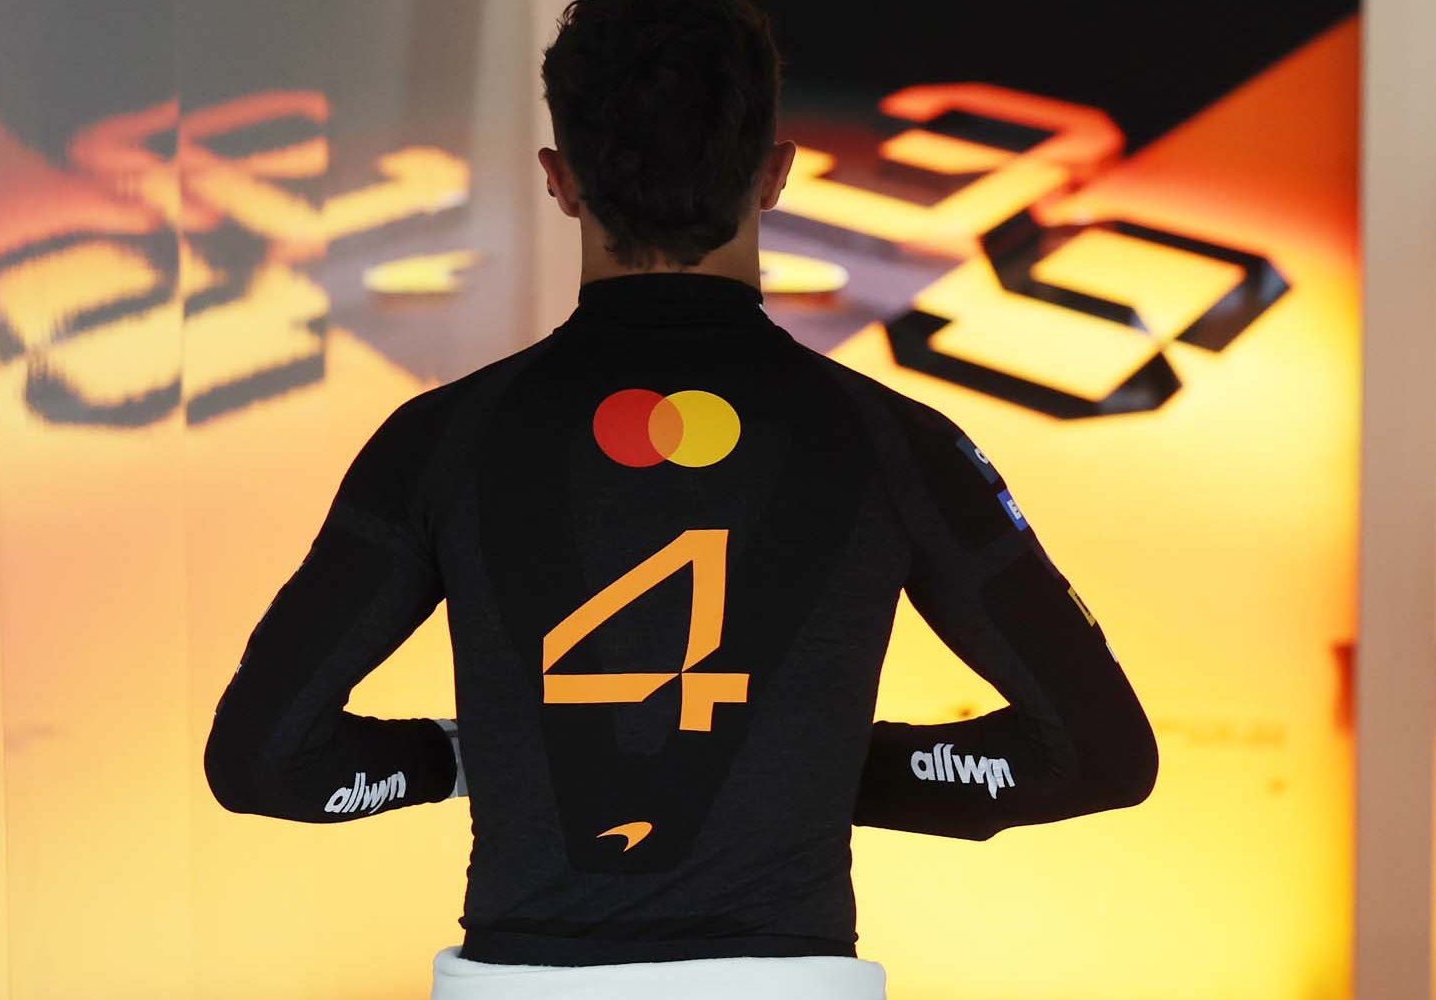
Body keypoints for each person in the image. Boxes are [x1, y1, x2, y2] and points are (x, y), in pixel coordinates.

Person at [201, 0, 1158, 996]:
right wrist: (817, 768)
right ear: (778, 173)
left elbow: (267, 763)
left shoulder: (439, 440)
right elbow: (1095, 754)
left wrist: (455, 760)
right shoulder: (899, 441)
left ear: (560, 182)